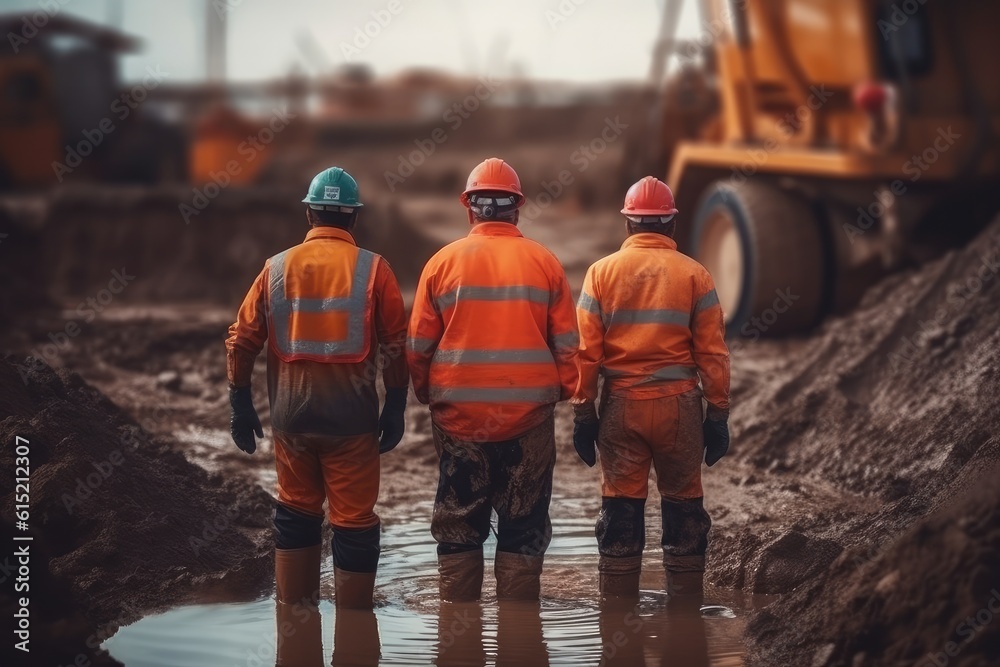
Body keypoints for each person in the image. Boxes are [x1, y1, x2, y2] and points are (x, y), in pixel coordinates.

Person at [225, 166, 408, 611]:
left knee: (296, 511)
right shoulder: (375, 269)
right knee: (354, 523)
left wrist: (240, 403)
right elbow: (397, 346)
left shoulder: (276, 268)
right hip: (352, 422)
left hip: (291, 419)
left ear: (310, 215)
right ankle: (355, 629)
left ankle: (294, 621)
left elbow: (241, 339)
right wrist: (397, 406)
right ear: (353, 220)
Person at [407, 157, 579, 602]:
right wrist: (568, 395)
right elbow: (568, 346)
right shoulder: (545, 262)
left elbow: (417, 347)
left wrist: (428, 394)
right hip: (529, 418)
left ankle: (456, 624)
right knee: (524, 523)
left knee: (458, 520)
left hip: (458, 418)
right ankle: (518, 625)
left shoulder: (441, 263)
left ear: (470, 209)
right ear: (517, 209)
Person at [571, 175, 731, 603]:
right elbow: (713, 354)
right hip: (680, 408)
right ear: (671, 226)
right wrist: (717, 414)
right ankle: (685, 616)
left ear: (628, 225)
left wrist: (584, 413)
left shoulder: (600, 273)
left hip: (622, 407)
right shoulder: (696, 274)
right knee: (684, 506)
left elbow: (585, 353)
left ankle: (617, 616)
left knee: (620, 509)